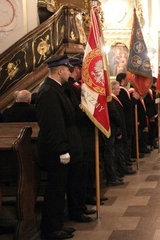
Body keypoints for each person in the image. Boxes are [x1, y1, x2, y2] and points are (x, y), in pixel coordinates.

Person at [36, 55, 82, 239]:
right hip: (55, 151)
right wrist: (62, 149)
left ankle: (58, 223)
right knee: (55, 190)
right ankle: (51, 228)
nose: (69, 72)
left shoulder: (57, 89)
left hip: (63, 146)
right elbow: (53, 125)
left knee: (59, 188)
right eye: (67, 69)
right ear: (60, 70)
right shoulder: (48, 91)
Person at [63, 55, 98, 218]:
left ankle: (82, 203)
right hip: (79, 136)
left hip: (83, 136)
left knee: (83, 174)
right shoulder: (68, 88)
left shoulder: (76, 87)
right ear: (77, 69)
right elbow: (74, 112)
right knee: (77, 177)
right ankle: (76, 209)